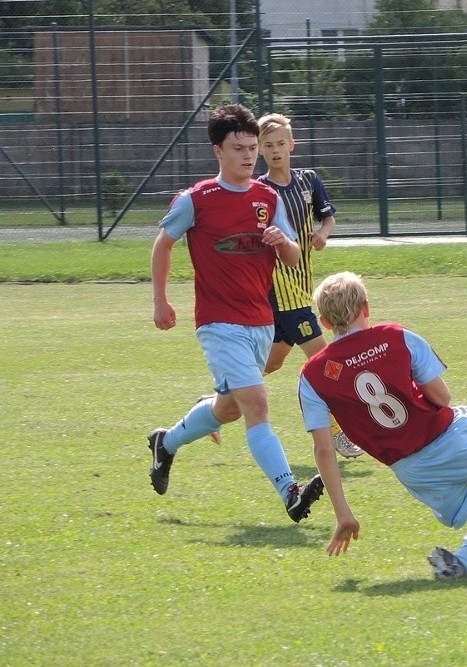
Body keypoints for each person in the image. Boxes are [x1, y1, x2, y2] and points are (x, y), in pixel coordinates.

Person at [298, 271, 467, 578]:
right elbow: (441, 397)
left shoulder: (311, 376)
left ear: (324, 322)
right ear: (366, 307)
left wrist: (344, 514)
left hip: (415, 472)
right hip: (450, 437)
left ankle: (456, 564)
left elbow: (324, 450)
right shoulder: (395, 336)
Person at [147, 103, 325, 523]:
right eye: (239, 148)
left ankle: (166, 443)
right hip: (218, 324)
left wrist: (282, 240)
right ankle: (291, 492)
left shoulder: (267, 197)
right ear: (218, 152)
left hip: (261, 321)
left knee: (228, 409)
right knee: (258, 405)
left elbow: (293, 257)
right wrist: (160, 300)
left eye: (251, 147)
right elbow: (162, 244)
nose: (249, 155)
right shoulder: (197, 199)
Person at [255, 112, 363, 459]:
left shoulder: (308, 180)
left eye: (281, 143)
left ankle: (218, 401)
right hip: (282, 292)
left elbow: (328, 216)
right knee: (324, 361)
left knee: (270, 365)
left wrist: (322, 234)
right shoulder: (260, 191)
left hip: (301, 285)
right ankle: (336, 431)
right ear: (259, 150)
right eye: (268, 145)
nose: (275, 150)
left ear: (292, 145)